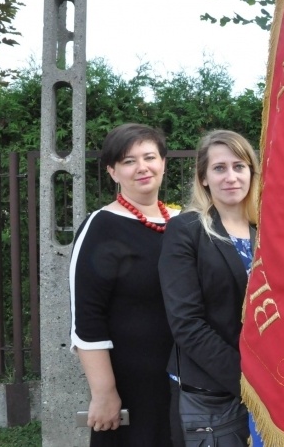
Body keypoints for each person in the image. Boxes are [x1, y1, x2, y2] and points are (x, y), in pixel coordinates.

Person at [69, 123, 181, 446]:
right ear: (112, 172)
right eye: (129, 161)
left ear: (163, 163)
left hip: (185, 384)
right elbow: (87, 318)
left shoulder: (184, 223)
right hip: (130, 387)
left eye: (149, 157)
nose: (142, 167)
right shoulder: (101, 227)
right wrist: (104, 393)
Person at [158, 130, 262, 446]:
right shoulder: (186, 230)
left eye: (239, 166)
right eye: (219, 168)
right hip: (212, 396)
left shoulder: (268, 230)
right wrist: (248, 380)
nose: (230, 177)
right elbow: (186, 324)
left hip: (272, 391)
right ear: (203, 177)